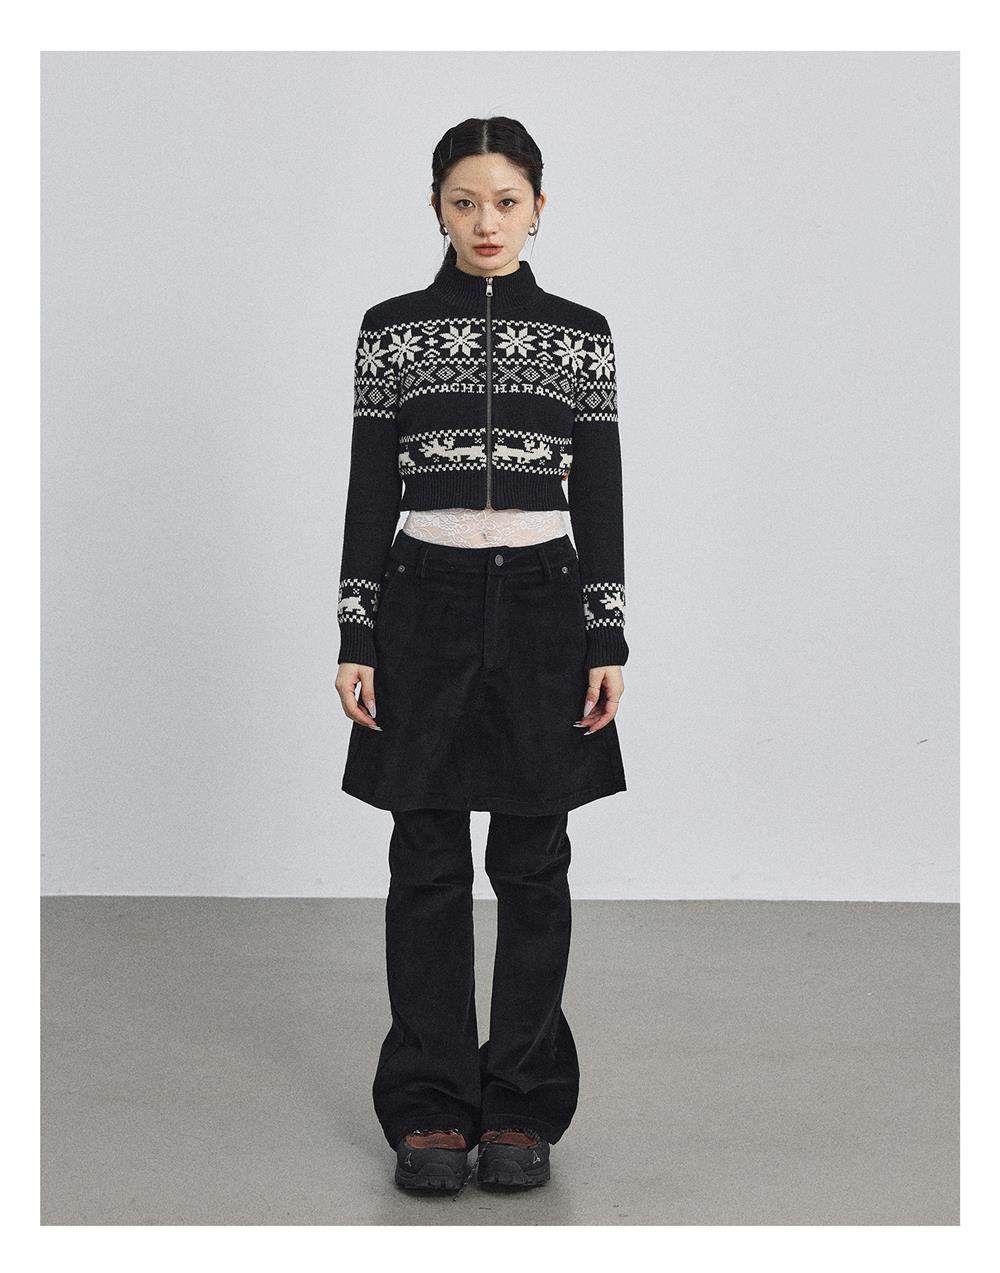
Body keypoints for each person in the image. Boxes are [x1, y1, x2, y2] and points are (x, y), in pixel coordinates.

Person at [334, 116, 629, 1193]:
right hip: (425, 600)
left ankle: (519, 1103)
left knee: (533, 858)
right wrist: (355, 628)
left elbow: (600, 489)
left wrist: (607, 630)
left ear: (539, 207)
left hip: (546, 603)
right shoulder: (393, 331)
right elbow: (370, 485)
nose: (486, 221)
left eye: (506, 201)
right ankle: (428, 1105)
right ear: (436, 209)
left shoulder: (581, 335)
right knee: (425, 855)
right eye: (464, 202)